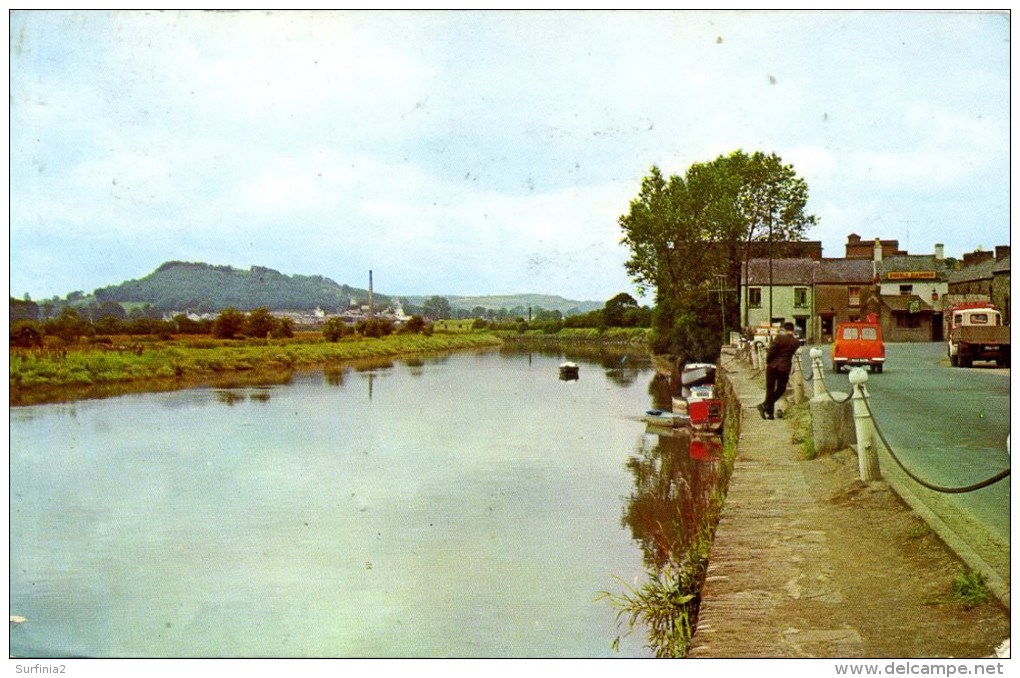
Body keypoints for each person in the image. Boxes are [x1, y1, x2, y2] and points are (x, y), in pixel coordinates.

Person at [758, 322, 801, 420]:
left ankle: (768, 411)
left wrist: (769, 362)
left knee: (770, 389)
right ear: (793, 330)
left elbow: (771, 352)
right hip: (784, 368)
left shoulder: (778, 338)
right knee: (781, 389)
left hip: (772, 367)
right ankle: (766, 408)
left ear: (784, 330)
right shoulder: (796, 342)